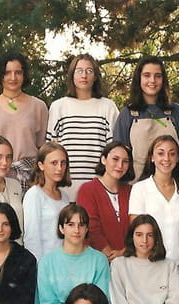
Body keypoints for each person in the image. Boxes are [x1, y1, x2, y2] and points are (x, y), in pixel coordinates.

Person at [0, 51, 49, 193]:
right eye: (7, 73)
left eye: (18, 72)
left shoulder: (39, 107)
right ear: (0, 75)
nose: (13, 78)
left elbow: (43, 150)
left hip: (30, 179)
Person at [46, 53, 119, 200]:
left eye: (89, 71)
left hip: (98, 187)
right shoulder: (58, 107)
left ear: (96, 76)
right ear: (72, 75)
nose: (84, 75)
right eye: (79, 71)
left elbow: (114, 151)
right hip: (64, 188)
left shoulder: (108, 107)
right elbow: (50, 150)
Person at [34, 204, 110, 304]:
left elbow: (99, 302)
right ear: (61, 228)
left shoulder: (99, 260)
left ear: (87, 228)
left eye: (81, 225)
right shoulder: (46, 262)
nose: (76, 230)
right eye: (70, 224)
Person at [113, 56, 179, 178]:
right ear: (138, 78)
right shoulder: (127, 114)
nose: (152, 80)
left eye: (158, 76)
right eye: (147, 75)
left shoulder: (176, 111)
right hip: (136, 184)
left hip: (172, 183)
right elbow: (119, 156)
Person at [129, 135, 179, 262]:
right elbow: (136, 230)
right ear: (152, 157)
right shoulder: (140, 189)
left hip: (178, 262)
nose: (166, 158)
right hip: (149, 262)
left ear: (177, 158)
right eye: (161, 153)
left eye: (172, 154)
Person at [77, 141, 134, 262]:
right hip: (97, 261)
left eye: (125, 161)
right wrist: (108, 254)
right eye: (115, 159)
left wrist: (124, 252)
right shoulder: (88, 190)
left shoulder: (132, 191)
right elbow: (91, 227)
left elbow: (137, 226)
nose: (120, 165)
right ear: (103, 159)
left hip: (128, 260)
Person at [22, 142, 71, 261]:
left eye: (63, 163)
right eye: (54, 163)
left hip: (64, 261)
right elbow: (31, 237)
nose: (59, 168)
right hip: (44, 263)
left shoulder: (65, 196)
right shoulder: (34, 194)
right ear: (41, 165)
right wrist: (39, 266)